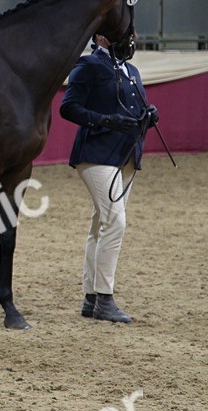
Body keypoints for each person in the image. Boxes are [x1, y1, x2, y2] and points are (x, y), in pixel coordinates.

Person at [59, 33, 158, 324]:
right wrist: (102, 120)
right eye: (126, 34)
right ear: (102, 37)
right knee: (116, 221)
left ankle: (91, 298)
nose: (131, 39)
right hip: (96, 153)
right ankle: (105, 298)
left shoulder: (132, 71)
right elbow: (68, 107)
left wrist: (148, 115)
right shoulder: (88, 65)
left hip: (126, 154)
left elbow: (131, 108)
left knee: (100, 224)